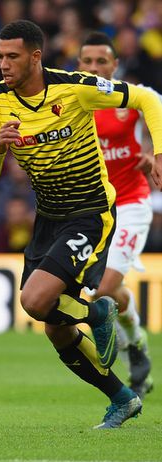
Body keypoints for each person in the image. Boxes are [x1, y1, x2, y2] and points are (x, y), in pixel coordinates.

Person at [0, 20, 162, 429]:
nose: (4, 64)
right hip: (48, 219)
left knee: (34, 301)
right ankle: (123, 398)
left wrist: (160, 151)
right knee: (55, 331)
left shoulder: (75, 87)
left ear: (36, 57)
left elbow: (150, 100)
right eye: (0, 56)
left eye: (13, 56)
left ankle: (98, 311)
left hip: (89, 213)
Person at [77, 32, 156, 398]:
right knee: (106, 290)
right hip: (95, 208)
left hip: (131, 203)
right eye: (88, 62)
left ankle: (128, 350)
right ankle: (137, 341)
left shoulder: (129, 98)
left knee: (103, 289)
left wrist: (154, 151)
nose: (95, 68)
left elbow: (156, 105)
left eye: (101, 62)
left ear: (115, 66)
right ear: (79, 67)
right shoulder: (73, 100)